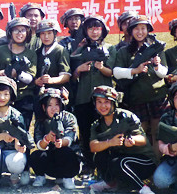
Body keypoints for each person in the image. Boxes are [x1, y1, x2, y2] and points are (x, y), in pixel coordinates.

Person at [88, 86, 157, 194]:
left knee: (119, 163)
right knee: (100, 156)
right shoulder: (97, 125)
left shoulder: (127, 117)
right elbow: (93, 146)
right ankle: (111, 183)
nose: (102, 106)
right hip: (121, 159)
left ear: (113, 103)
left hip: (143, 161)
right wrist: (110, 142)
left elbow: (143, 139)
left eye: (106, 102)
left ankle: (143, 188)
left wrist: (132, 140)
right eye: (99, 102)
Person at [111, 14, 168, 146]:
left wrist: (157, 65)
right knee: (139, 135)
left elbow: (164, 73)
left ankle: (157, 159)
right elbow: (116, 72)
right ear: (131, 31)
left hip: (158, 98)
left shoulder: (156, 48)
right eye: (136, 29)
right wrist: (135, 70)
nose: (140, 32)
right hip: (136, 99)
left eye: (143, 28)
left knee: (158, 134)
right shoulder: (124, 51)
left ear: (148, 30)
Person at [70, 15, 113, 161]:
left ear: (103, 30)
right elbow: (72, 76)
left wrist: (102, 68)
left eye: (97, 28)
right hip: (83, 98)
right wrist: (79, 69)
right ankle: (88, 163)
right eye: (90, 29)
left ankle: (104, 164)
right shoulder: (79, 50)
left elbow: (112, 72)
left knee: (105, 131)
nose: (94, 32)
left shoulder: (110, 48)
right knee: (85, 131)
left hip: (104, 99)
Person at [0, 77, 30, 190]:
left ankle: (14, 178)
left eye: (6, 94)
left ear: (11, 96)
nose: (2, 98)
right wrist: (2, 136)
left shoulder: (17, 115)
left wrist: (19, 145)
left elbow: (20, 138)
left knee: (17, 162)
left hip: (11, 155)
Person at [29, 89, 80, 189]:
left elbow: (70, 137)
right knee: (35, 155)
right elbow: (39, 145)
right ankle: (40, 176)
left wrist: (61, 142)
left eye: (56, 104)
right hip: (51, 160)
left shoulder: (69, 117)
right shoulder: (40, 121)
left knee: (66, 152)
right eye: (50, 105)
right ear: (44, 107)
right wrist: (46, 139)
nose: (54, 108)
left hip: (69, 160)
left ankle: (68, 177)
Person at [0, 17, 37, 129]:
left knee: (21, 131)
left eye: (23, 30)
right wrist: (0, 73)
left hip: (24, 97)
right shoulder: (0, 51)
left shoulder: (31, 54)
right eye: (16, 30)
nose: (19, 33)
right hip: (2, 97)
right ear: (10, 32)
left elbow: (31, 78)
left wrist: (17, 74)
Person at [33, 19, 71, 93]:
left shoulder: (60, 51)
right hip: (40, 93)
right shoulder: (38, 52)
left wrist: (51, 80)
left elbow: (66, 76)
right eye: (43, 33)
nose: (46, 37)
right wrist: (36, 81)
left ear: (54, 34)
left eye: (49, 33)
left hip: (57, 92)